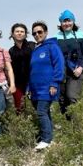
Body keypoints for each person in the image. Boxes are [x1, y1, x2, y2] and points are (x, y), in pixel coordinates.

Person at [29, 21, 64, 151]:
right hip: (35, 89)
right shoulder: (35, 50)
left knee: (41, 111)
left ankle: (46, 140)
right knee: (45, 113)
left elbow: (59, 65)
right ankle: (49, 138)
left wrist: (55, 83)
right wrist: (29, 88)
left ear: (46, 32)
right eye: (34, 33)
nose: (37, 35)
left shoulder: (52, 46)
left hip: (47, 87)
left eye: (40, 32)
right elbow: (32, 70)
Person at [55, 9, 83, 116]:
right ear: (61, 23)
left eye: (69, 20)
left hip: (76, 70)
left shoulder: (81, 34)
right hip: (62, 71)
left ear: (73, 21)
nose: (67, 23)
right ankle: (66, 121)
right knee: (61, 98)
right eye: (64, 21)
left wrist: (81, 68)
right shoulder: (57, 36)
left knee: (71, 96)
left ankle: (75, 122)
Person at [8, 23, 35, 113]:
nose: (19, 33)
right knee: (19, 108)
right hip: (17, 84)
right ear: (12, 34)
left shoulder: (32, 46)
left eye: (22, 31)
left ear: (25, 34)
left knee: (34, 108)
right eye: (17, 31)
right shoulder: (11, 51)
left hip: (32, 82)